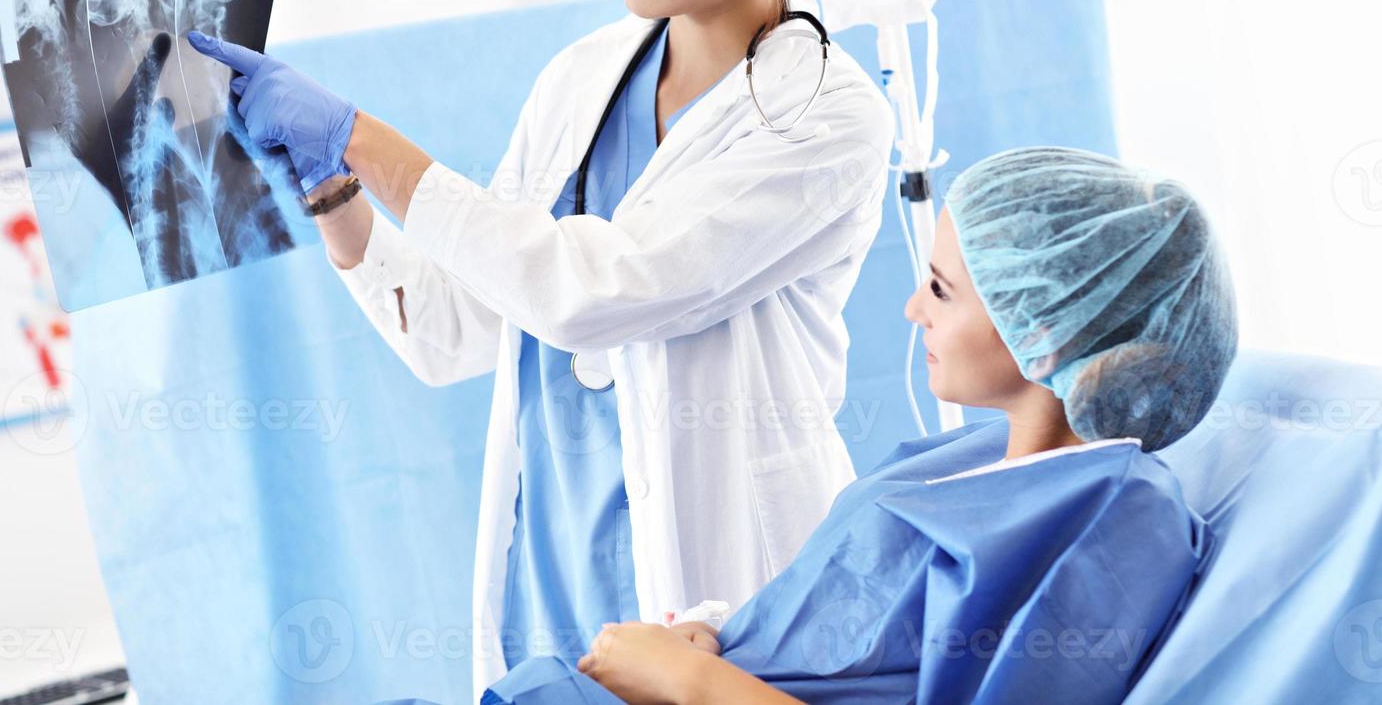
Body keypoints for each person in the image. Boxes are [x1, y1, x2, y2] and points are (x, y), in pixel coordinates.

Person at [187, 0, 899, 701]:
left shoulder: (820, 112)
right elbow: (460, 327)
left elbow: (594, 291)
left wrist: (361, 139)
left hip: (727, 595)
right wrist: (331, 190)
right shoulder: (581, 80)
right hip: (554, 577)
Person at [463, 146, 1239, 705]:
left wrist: (694, 684)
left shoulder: (1119, 519)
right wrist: (707, 637)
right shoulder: (965, 457)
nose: (912, 311)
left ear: (1052, 326)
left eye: (941, 290)